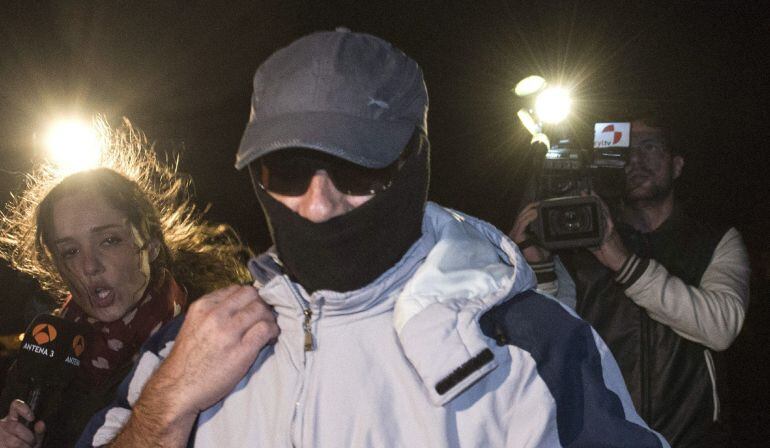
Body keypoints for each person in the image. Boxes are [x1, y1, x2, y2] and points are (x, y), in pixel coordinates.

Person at [80, 30, 668, 447]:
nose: (318, 203)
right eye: (285, 172)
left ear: (414, 163)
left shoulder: (530, 346)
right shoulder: (185, 347)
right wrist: (167, 406)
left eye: (358, 168)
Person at [0, 121, 253, 447]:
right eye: (71, 251)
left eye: (109, 240)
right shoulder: (44, 355)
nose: (89, 266)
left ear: (150, 243)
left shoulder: (212, 335)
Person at [510, 118, 751, 446]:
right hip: (606, 436)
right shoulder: (580, 242)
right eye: (623, 150)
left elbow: (721, 327)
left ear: (677, 165)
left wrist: (624, 264)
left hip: (693, 437)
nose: (635, 160)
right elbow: (552, 340)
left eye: (649, 147)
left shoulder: (715, 240)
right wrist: (535, 269)